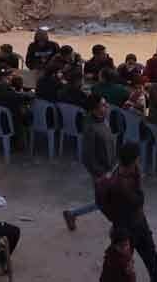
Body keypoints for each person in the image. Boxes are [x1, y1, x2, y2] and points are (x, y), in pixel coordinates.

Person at [97, 143, 157, 282]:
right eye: (137, 159)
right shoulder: (119, 184)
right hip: (126, 229)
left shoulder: (123, 172)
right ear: (133, 160)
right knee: (121, 265)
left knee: (151, 256)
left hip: (138, 223)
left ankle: (155, 277)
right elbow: (139, 200)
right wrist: (115, 219)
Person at [64, 94, 115, 231]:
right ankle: (119, 226)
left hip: (110, 168)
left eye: (106, 104)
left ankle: (72, 213)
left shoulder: (104, 120)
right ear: (94, 110)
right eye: (103, 105)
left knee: (104, 201)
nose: (107, 107)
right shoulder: (91, 129)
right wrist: (99, 175)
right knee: (105, 202)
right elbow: (87, 157)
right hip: (101, 172)